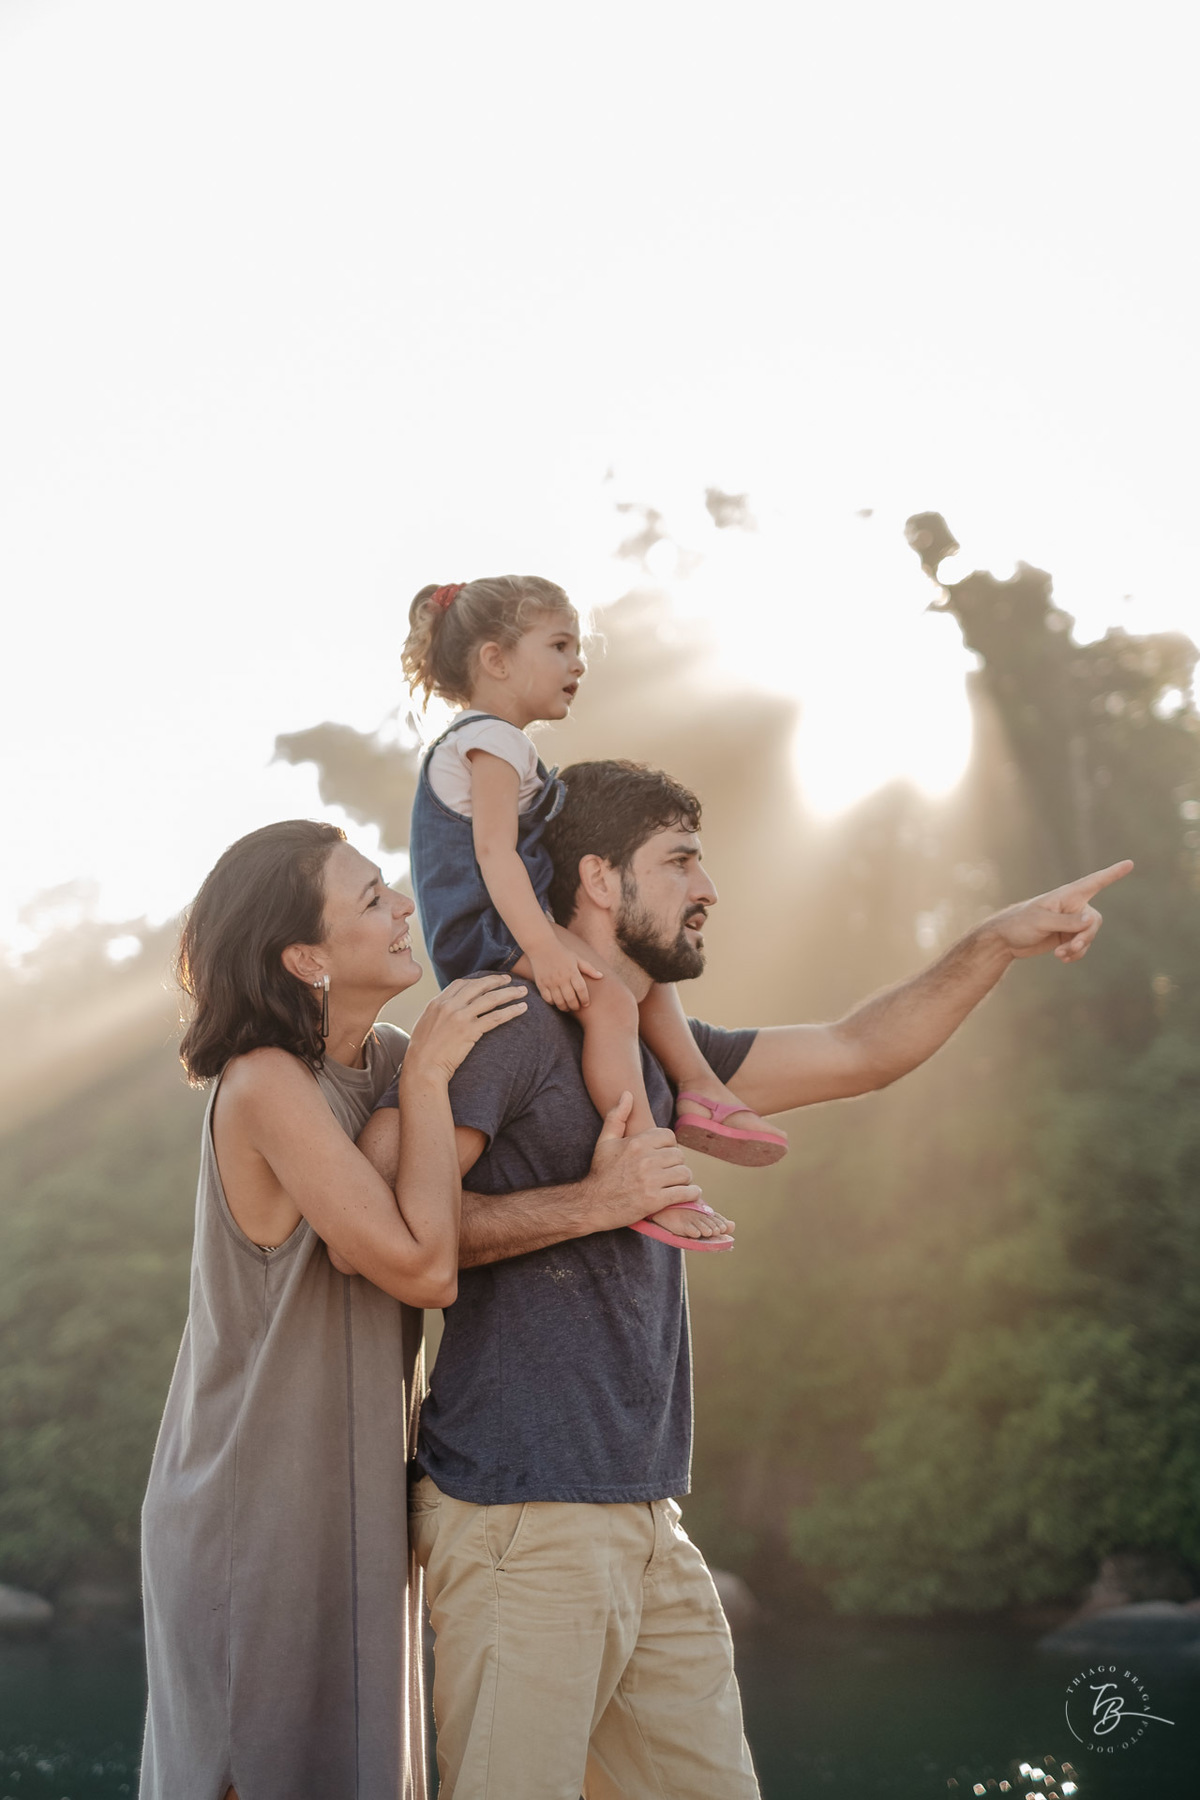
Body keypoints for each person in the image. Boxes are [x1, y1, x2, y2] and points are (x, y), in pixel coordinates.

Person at [358, 759, 1132, 1800]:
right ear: (597, 878)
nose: (707, 887)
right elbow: (404, 1231)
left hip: (646, 1518)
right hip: (520, 1516)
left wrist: (993, 940)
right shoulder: (512, 1026)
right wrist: (594, 1201)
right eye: (678, 860)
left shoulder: (667, 1059)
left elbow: (860, 1051)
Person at [140, 819, 532, 1800]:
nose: (403, 906)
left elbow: (437, 1195)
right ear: (307, 957)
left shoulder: (390, 1060)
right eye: (370, 899)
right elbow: (424, 1266)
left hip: (354, 1492)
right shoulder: (266, 1082)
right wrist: (430, 1086)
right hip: (251, 1502)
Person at [400, 573, 786, 1253]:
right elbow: (494, 855)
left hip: (509, 915)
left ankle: (698, 1088)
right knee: (608, 1005)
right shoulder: (494, 741)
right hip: (486, 928)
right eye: (559, 645)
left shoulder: (495, 743)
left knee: (639, 960)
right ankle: (646, 1162)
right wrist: (546, 952)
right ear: (495, 659)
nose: (577, 663)